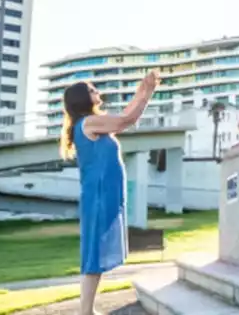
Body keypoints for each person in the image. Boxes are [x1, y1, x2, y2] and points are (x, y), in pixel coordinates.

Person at [61, 71, 160, 315]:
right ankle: (85, 312)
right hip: (99, 194)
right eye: (93, 90)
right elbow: (126, 120)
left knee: (95, 251)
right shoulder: (89, 123)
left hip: (104, 193)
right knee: (94, 252)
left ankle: (87, 311)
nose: (98, 93)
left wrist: (143, 91)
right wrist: (145, 93)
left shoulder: (92, 122)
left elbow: (125, 117)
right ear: (82, 99)